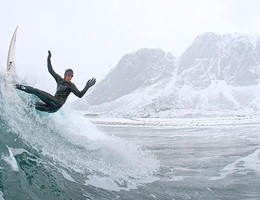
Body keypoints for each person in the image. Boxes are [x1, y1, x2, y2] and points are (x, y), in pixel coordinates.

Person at [15, 50, 96, 113]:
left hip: (57, 104)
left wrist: (87, 86)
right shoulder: (59, 79)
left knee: (36, 91)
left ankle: (16, 86)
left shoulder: (71, 86)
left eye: (71, 76)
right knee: (31, 105)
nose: (69, 77)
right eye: (68, 75)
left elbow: (79, 95)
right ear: (65, 74)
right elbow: (50, 70)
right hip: (52, 107)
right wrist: (48, 58)